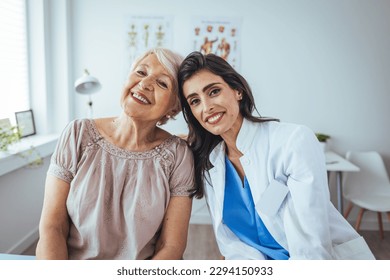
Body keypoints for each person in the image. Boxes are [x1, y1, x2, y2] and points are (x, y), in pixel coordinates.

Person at [177, 51, 375, 260]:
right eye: (195, 101)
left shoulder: (292, 141)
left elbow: (312, 244)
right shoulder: (211, 163)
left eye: (214, 91)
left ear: (237, 90)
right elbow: (233, 245)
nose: (206, 107)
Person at [36, 48, 196, 260]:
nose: (145, 83)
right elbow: (52, 227)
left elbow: (171, 246)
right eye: (141, 72)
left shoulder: (178, 155)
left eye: (162, 83)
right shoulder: (77, 134)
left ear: (173, 108)